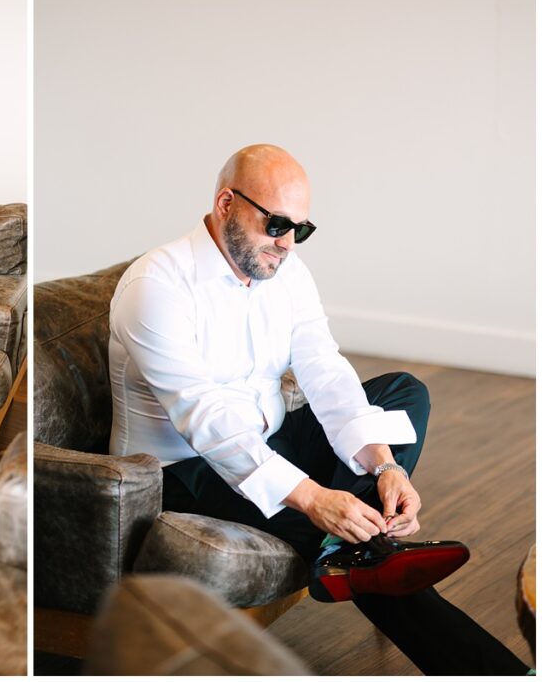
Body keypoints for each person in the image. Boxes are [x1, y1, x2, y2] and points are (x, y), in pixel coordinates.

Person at [108, 144, 529, 675]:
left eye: (301, 230)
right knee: (368, 555)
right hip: (184, 468)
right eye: (277, 224)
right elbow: (203, 415)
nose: (287, 244)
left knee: (403, 390)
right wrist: (313, 497)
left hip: (270, 437)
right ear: (225, 203)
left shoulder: (285, 271)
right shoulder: (156, 287)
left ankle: (347, 550)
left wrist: (384, 466)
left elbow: (323, 369)